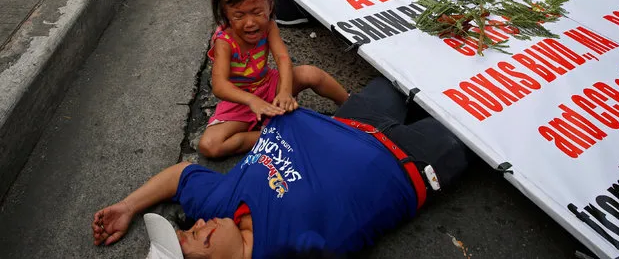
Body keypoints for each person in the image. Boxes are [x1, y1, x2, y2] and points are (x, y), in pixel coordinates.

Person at [92, 77, 474, 258]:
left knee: (412, 67)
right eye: (192, 240)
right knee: (477, 109)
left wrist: (128, 206)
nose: (198, 227)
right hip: (406, 161)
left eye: (189, 229)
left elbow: (179, 177)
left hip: (352, 119)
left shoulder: (216, 208)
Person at [199, 0, 348, 158]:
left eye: (257, 12)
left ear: (270, 6)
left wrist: (285, 91)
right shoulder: (224, 41)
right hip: (241, 101)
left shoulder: (269, 26)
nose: (250, 22)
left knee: (311, 73)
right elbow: (219, 86)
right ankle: (273, 134)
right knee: (210, 146)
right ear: (226, 15)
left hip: (270, 86)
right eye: (239, 15)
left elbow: (282, 58)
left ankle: (350, 104)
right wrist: (253, 101)